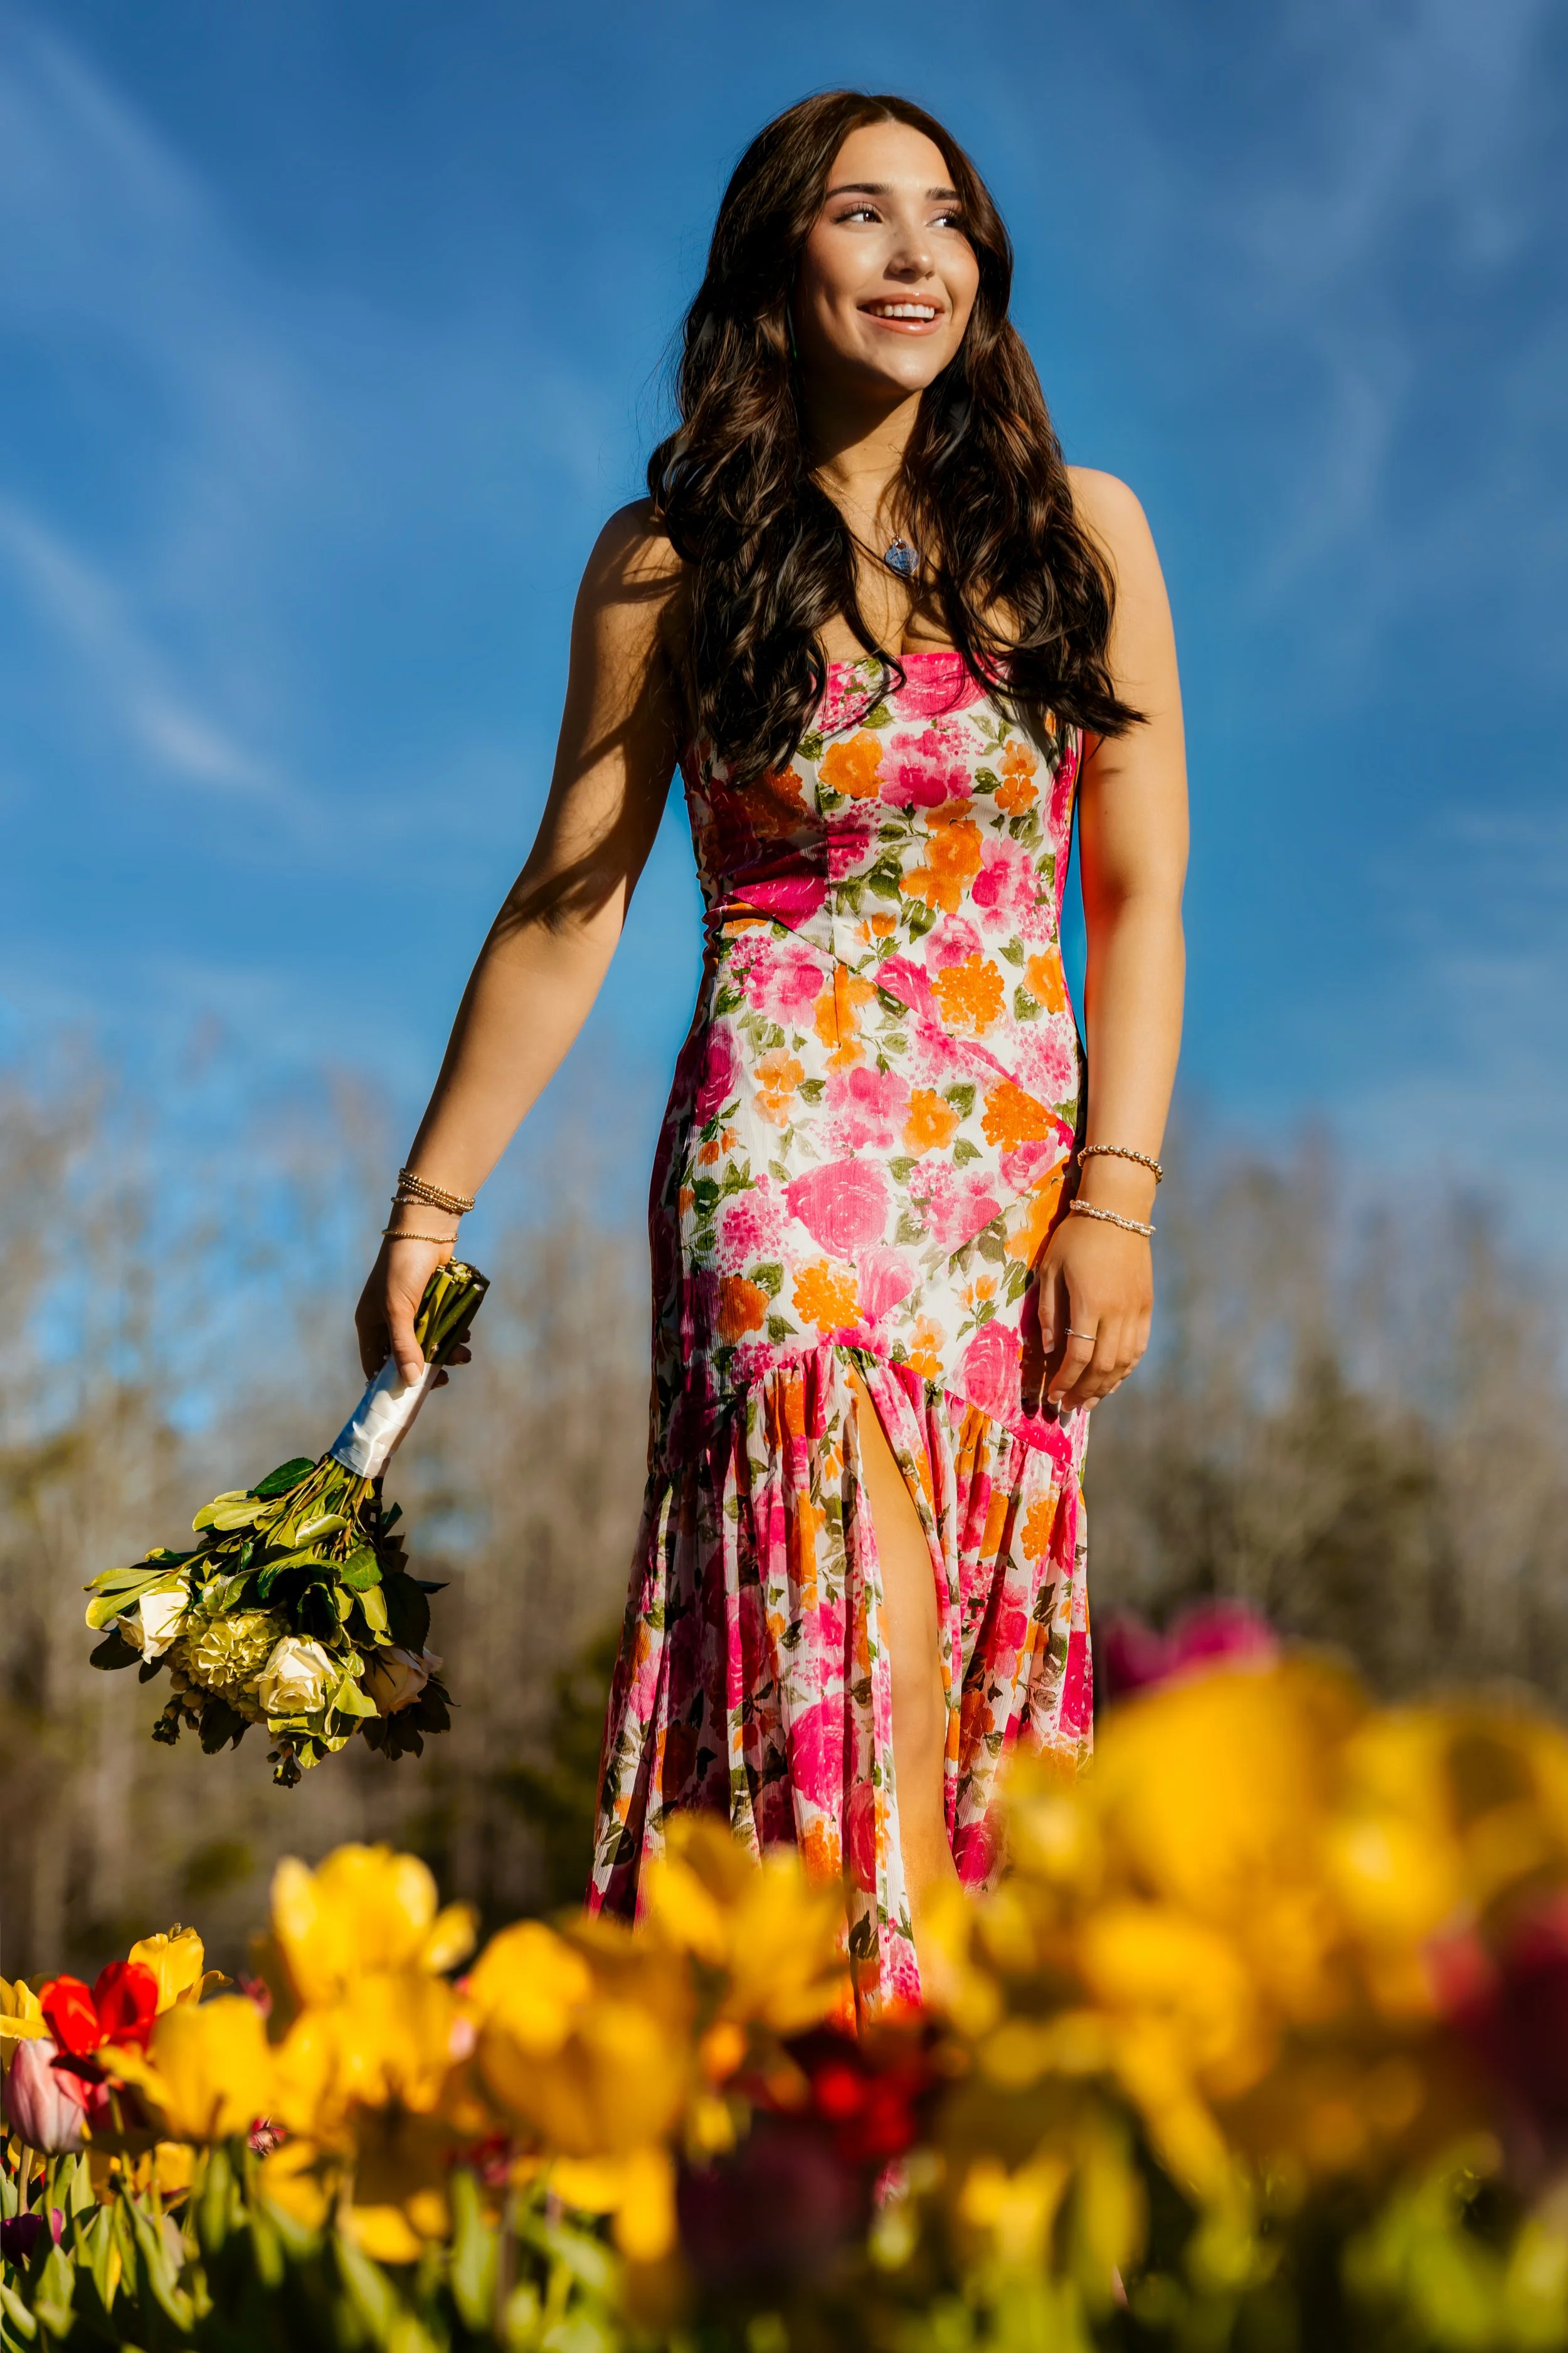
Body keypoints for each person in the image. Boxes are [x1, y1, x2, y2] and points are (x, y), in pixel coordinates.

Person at [355, 90, 1187, 2012]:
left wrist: (1117, 1199)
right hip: (782, 1169)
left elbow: (1136, 892)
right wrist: (425, 1206)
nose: (915, 254)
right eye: (861, 216)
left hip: (1009, 1192)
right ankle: (861, 2170)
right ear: (773, 267)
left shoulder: (1087, 537)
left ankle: (953, 2187)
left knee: (975, 1708)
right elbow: (570, 904)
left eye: (948, 220)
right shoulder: (668, 560)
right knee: (850, 1662)